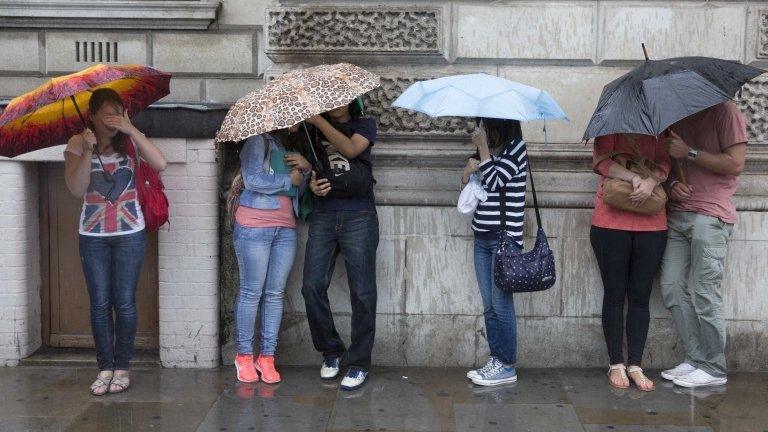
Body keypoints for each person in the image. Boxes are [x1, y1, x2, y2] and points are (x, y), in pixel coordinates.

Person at [63, 88, 166, 395]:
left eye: (117, 112)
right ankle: (104, 368)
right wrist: (86, 151)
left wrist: (131, 129)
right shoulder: (78, 142)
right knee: (99, 304)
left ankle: (122, 367)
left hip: (129, 234)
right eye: (106, 113)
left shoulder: (130, 140)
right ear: (92, 115)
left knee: (124, 302)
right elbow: (76, 189)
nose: (112, 119)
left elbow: (160, 164)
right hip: (93, 236)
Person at [659, 101, 747, 388]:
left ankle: (714, 367)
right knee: (671, 286)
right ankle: (697, 358)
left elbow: (736, 163)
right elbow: (667, 168)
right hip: (678, 214)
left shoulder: (726, 113)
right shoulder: (676, 117)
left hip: (710, 216)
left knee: (706, 292)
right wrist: (672, 186)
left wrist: (690, 152)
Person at [301, 99, 379, 391]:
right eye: (330, 101)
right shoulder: (308, 133)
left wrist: (318, 121)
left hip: (359, 214)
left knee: (362, 292)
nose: (336, 105)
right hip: (324, 213)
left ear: (351, 99)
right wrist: (312, 184)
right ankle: (331, 352)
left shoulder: (364, 124)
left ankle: (359, 363)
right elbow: (310, 167)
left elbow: (350, 150)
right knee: (311, 285)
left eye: (341, 99)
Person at [229, 126, 312, 384]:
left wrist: (306, 169)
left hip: (285, 227)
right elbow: (252, 179)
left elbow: (297, 192)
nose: (296, 121)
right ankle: (243, 356)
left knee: (275, 293)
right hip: (254, 225)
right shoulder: (257, 140)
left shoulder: (291, 147)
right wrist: (289, 180)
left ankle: (267, 357)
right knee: (251, 291)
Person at [589, 133, 670, 391]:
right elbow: (601, 162)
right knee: (614, 292)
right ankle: (616, 363)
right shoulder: (613, 121)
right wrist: (634, 177)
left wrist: (651, 180)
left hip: (652, 221)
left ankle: (635, 364)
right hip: (610, 220)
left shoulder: (661, 124)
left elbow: (666, 163)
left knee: (640, 294)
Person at [460, 118, 526, 386]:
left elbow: (497, 181)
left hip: (504, 240)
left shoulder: (516, 149)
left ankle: (507, 365)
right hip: (482, 237)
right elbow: (471, 188)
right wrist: (466, 171)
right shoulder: (487, 151)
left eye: (485, 124)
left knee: (501, 305)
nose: (481, 129)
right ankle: (496, 359)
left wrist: (484, 150)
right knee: (488, 306)